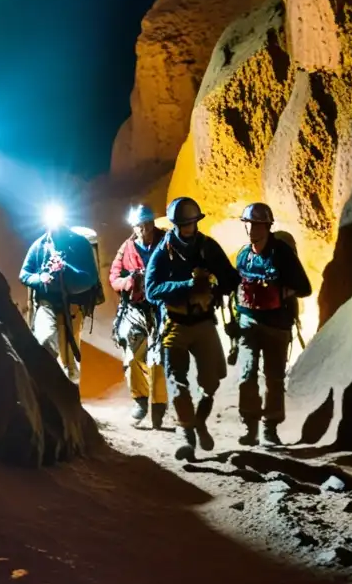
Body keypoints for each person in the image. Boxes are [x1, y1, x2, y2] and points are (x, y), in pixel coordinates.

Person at [146, 196, 239, 461]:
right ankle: (187, 435)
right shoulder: (163, 252)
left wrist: (212, 288)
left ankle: (199, 420)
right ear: (175, 224)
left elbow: (231, 278)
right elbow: (152, 291)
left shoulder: (208, 247)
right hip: (175, 323)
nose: (188, 228)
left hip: (204, 322)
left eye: (191, 223)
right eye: (184, 224)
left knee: (212, 379)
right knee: (177, 381)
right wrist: (186, 285)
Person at [233, 203, 312, 446]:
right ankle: (250, 426)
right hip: (248, 323)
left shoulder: (282, 255)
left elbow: (305, 288)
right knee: (246, 375)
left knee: (273, 378)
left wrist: (279, 292)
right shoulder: (243, 256)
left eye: (256, 225)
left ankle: (270, 427)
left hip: (276, 325)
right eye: (248, 224)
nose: (251, 230)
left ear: (267, 226)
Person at [19, 218, 100, 384]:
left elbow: (90, 277)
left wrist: (65, 270)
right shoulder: (39, 245)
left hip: (73, 306)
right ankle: (48, 388)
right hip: (46, 303)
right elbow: (24, 274)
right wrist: (41, 278)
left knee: (70, 359)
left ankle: (70, 399)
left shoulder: (80, 243)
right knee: (45, 339)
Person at [109, 204, 168, 428]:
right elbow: (114, 275)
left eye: (145, 224)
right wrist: (128, 282)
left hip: (160, 307)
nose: (142, 228)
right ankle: (140, 401)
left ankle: (159, 405)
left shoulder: (166, 244)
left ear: (152, 223)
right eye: (138, 224)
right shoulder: (127, 247)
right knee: (133, 356)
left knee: (158, 359)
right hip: (135, 308)